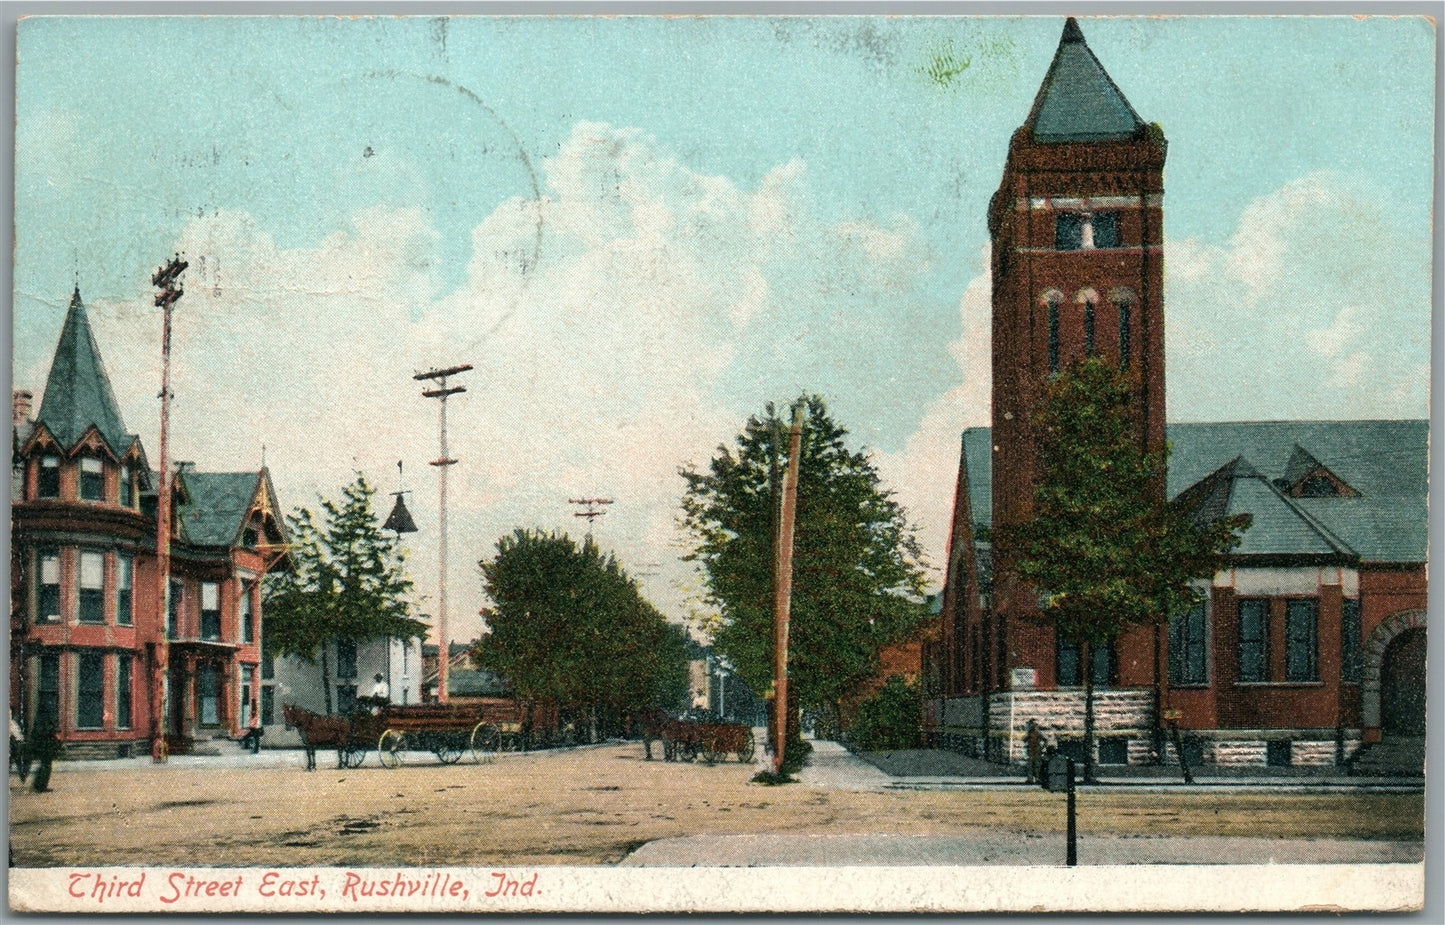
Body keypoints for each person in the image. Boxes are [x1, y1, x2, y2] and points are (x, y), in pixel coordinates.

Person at [1025, 719, 1042, 784]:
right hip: (1030, 751)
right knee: (1030, 765)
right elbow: (1024, 739)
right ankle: (1030, 779)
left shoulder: (1038, 733)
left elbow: (1045, 739)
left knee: (1037, 766)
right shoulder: (1030, 733)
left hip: (1036, 751)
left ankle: (1037, 779)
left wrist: (1042, 748)